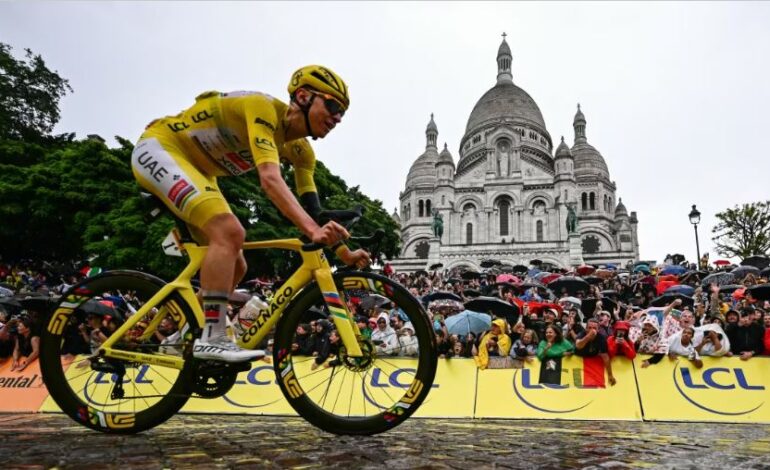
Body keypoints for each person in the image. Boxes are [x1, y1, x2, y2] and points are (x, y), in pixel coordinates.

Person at [131, 65, 371, 362]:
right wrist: (311, 230)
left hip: (200, 172)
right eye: (333, 106)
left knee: (237, 264)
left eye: (342, 113)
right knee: (230, 232)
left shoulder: (302, 153)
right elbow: (270, 179)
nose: (337, 118)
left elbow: (314, 215)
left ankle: (187, 333)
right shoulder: (263, 109)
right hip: (162, 147)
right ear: (304, 96)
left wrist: (344, 254)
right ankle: (213, 337)